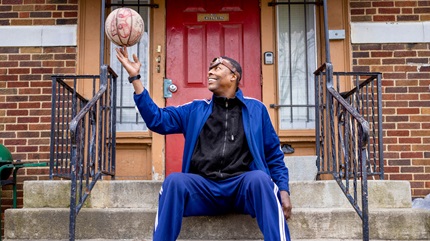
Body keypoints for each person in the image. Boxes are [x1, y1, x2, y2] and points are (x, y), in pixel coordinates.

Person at [116, 47, 292, 241]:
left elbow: (273, 154)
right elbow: (157, 119)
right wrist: (136, 79)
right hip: (204, 189)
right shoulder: (195, 110)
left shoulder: (256, 109)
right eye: (210, 68)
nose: (210, 71)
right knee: (174, 181)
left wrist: (283, 190)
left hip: (241, 189)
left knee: (260, 178)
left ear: (234, 76)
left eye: (217, 67)